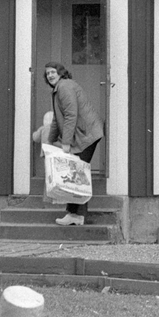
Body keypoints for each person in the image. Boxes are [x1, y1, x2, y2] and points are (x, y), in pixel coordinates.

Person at [43, 62, 104, 226]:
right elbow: (57, 119)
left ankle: (76, 215)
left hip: (86, 135)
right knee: (76, 173)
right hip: (83, 135)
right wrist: (49, 143)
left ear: (61, 73)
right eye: (47, 73)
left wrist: (66, 143)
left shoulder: (64, 87)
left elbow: (71, 115)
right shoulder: (57, 91)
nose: (50, 75)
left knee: (77, 173)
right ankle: (74, 214)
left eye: (53, 72)